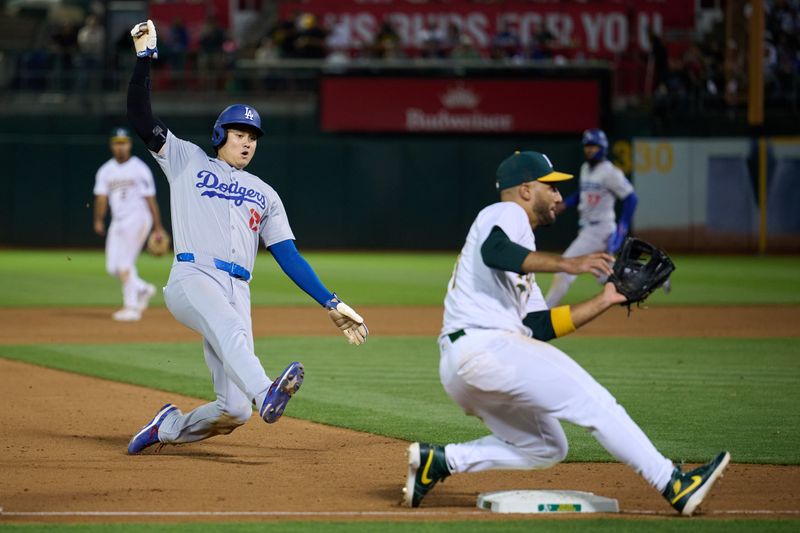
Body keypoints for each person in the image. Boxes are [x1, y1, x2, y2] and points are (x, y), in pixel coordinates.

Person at [402, 150, 729, 516]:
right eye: (551, 187)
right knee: (596, 403)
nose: (559, 197)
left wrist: (605, 299)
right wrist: (567, 263)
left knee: (546, 446)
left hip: (463, 365)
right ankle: (674, 483)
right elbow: (497, 251)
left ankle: (442, 462)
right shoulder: (507, 213)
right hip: (486, 348)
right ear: (526, 189)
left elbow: (539, 327)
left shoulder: (521, 265)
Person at [123, 20, 368, 454]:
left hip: (239, 289)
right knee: (231, 332)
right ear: (221, 135)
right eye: (239, 133)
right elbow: (142, 117)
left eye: (253, 136)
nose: (247, 142)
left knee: (234, 411)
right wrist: (145, 61)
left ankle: (169, 427)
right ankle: (267, 391)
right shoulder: (186, 159)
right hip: (192, 275)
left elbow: (288, 255)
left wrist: (330, 301)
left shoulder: (266, 193)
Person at [544, 128, 638, 308]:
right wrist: (566, 204)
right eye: (587, 146)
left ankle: (542, 312)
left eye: (593, 146)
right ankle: (648, 278)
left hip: (600, 229)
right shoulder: (585, 168)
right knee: (607, 275)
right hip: (589, 228)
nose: (589, 149)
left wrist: (621, 229)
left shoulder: (610, 172)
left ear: (603, 147)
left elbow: (631, 198)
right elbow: (583, 192)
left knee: (564, 268)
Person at [93, 127, 165, 322]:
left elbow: (151, 199)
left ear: (129, 145)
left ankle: (132, 308)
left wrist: (158, 227)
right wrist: (99, 220)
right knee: (112, 268)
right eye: (117, 143)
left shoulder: (139, 168)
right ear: (112, 145)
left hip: (138, 218)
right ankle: (143, 289)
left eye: (123, 142)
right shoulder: (105, 170)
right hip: (118, 221)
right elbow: (100, 198)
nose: (120, 146)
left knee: (124, 264)